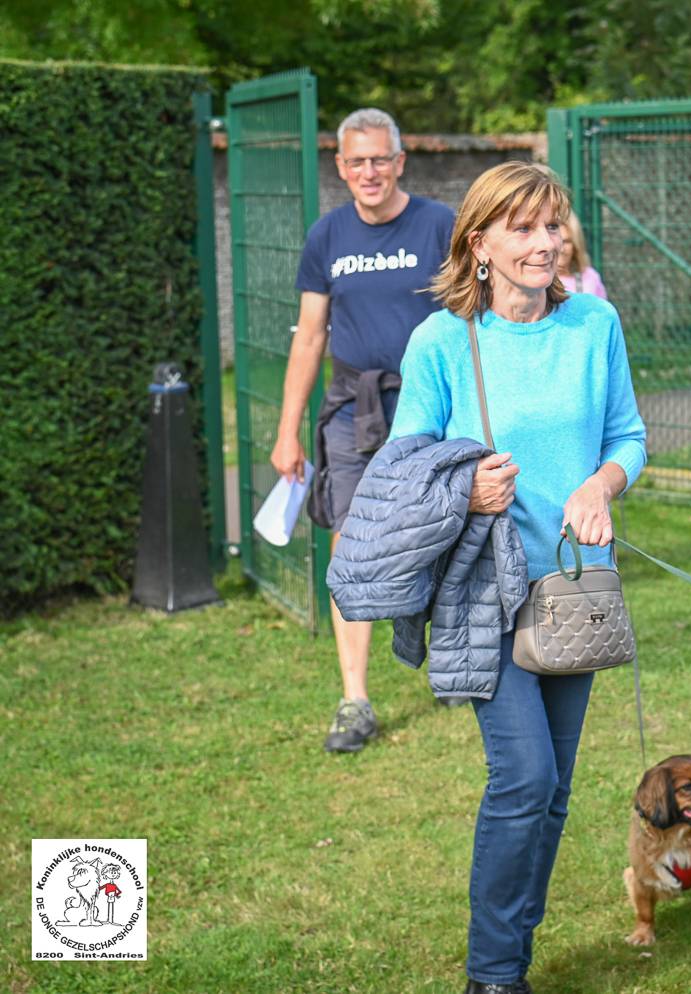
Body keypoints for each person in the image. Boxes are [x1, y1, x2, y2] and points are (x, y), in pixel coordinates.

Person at [389, 161, 646, 994]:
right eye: (525, 228)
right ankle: (493, 975)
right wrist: (464, 488)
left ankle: (511, 962)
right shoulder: (441, 343)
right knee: (524, 776)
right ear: (480, 244)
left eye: (554, 225)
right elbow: (403, 470)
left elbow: (628, 437)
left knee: (556, 791)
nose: (546, 243)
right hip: (481, 591)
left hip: (574, 592)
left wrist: (599, 484)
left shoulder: (593, 326)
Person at [270, 108, 456, 753]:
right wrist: (288, 430)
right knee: (351, 547)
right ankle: (355, 699)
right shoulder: (327, 236)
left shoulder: (439, 225)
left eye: (381, 159)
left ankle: (454, 661)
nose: (369, 172)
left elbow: (473, 320)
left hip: (431, 405)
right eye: (356, 162)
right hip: (353, 407)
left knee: (443, 531)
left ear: (400, 161)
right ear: (341, 169)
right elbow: (310, 336)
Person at [556, 212, 608, 299]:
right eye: (557, 242)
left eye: (567, 242)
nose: (562, 249)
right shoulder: (536, 280)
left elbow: (602, 311)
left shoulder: (590, 278)